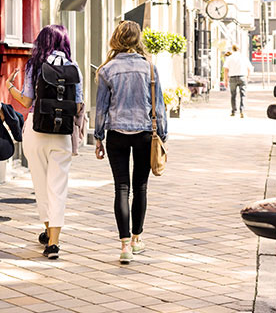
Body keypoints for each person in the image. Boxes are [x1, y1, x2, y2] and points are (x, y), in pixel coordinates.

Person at [5, 24, 83, 259]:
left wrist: (10, 87)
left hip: (37, 132)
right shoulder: (73, 66)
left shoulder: (35, 65)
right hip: (62, 135)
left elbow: (27, 102)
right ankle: (54, 243)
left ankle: (48, 230)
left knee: (41, 184)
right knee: (58, 186)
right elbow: (78, 106)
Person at [94, 21, 168, 264]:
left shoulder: (107, 70)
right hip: (145, 133)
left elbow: (102, 108)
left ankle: (124, 246)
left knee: (121, 189)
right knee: (141, 188)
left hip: (116, 134)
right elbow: (159, 105)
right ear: (137, 40)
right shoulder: (149, 68)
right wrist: (163, 135)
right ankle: (137, 240)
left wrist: (98, 137)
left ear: (116, 38)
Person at [223, 44, 253, 118]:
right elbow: (249, 68)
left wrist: (226, 80)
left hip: (232, 78)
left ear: (232, 49)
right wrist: (248, 77)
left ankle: (233, 111)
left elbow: (226, 70)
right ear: (239, 49)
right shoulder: (243, 57)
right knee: (243, 94)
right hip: (242, 77)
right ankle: (242, 111)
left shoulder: (229, 58)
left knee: (233, 95)